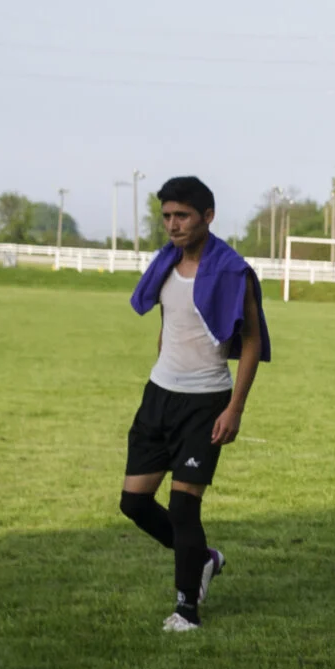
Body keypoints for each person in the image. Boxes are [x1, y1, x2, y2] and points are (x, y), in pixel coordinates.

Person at [121, 176, 269, 633]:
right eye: (167, 216)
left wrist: (235, 409)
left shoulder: (232, 270)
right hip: (159, 394)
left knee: (184, 509)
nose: (172, 225)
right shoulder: (164, 263)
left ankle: (186, 609)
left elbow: (251, 340)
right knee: (134, 503)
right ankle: (202, 558)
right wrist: (164, 369)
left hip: (206, 401)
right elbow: (169, 324)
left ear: (207, 216)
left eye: (181, 215)